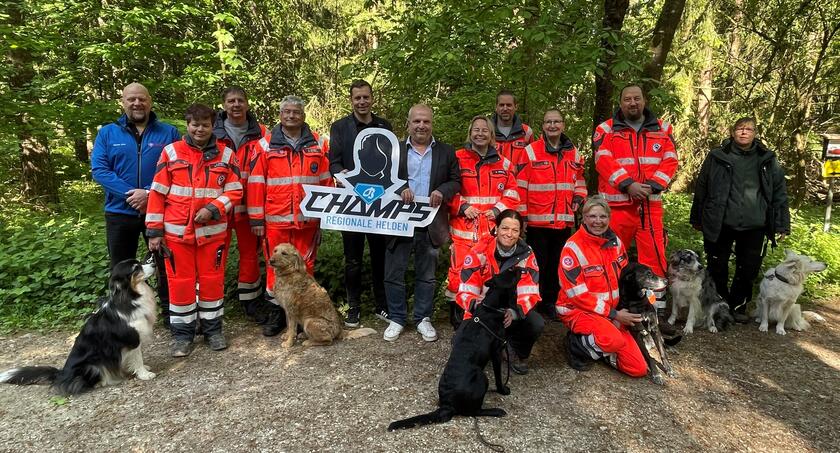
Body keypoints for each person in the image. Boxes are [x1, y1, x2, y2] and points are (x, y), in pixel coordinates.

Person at [146, 103, 243, 357]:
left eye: (205, 125)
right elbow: (157, 193)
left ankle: (213, 331)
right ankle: (182, 336)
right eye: (195, 124)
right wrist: (154, 232)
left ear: (213, 126)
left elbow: (235, 190)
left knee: (212, 283)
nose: (200, 129)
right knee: (180, 285)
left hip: (212, 234)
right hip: (176, 235)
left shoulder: (226, 155)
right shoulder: (171, 152)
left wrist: (213, 208)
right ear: (187, 125)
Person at [91, 82, 180, 327]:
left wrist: (150, 194)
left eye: (141, 99)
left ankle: (173, 318)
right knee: (121, 268)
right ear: (123, 102)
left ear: (150, 101)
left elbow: (178, 169)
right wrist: (132, 194)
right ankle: (124, 320)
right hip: (119, 212)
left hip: (160, 211)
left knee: (165, 265)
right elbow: (100, 170)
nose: (137, 103)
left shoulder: (169, 133)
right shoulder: (107, 133)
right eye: (131, 99)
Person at [592, 83, 678, 329]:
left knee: (655, 259)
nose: (632, 103)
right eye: (627, 99)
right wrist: (628, 185)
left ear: (644, 101)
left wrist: (652, 185)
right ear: (620, 103)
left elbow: (670, 160)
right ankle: (615, 310)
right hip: (617, 206)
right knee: (612, 259)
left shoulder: (662, 128)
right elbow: (603, 160)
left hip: (650, 206)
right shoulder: (605, 129)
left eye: (637, 99)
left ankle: (655, 313)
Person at [690, 117, 790, 323]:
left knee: (748, 269)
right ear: (732, 132)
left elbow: (779, 192)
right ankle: (719, 306)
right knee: (717, 266)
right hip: (721, 221)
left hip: (756, 224)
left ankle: (738, 306)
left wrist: (781, 224)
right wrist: (697, 217)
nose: (744, 132)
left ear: (755, 133)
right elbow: (702, 187)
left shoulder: (767, 159)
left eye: (749, 129)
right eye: (740, 129)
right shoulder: (717, 156)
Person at [248, 95, 332, 336]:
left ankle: (306, 314)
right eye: (287, 112)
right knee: (276, 267)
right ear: (280, 115)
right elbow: (255, 183)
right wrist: (255, 219)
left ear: (303, 115)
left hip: (308, 221)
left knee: (306, 267)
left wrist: (325, 216)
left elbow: (326, 182)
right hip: (275, 221)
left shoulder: (318, 143)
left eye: (296, 112)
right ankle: (278, 316)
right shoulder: (264, 145)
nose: (292, 116)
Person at [382, 104, 461, 343]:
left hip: (431, 222)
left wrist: (442, 190)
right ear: (408, 124)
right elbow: (383, 177)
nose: (421, 126)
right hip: (399, 220)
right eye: (416, 121)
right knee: (394, 272)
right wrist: (400, 188)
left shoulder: (446, 152)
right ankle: (396, 318)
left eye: (426, 121)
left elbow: (456, 181)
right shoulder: (394, 149)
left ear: (432, 124)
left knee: (426, 275)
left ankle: (422, 318)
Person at [557, 196, 647, 378]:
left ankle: (602, 346)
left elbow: (625, 280)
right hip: (578, 310)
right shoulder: (572, 248)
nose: (598, 221)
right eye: (592, 216)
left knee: (638, 369)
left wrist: (623, 310)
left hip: (610, 312)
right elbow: (578, 296)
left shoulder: (616, 243)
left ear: (609, 217)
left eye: (603, 216)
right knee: (612, 340)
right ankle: (576, 344)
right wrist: (613, 315)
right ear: (583, 218)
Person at [329, 80, 394, 327]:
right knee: (353, 259)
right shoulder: (339, 128)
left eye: (366, 97)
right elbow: (333, 162)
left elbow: (392, 162)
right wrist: (341, 174)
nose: (362, 102)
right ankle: (353, 308)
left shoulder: (384, 126)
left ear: (372, 98)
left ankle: (382, 305)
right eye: (357, 98)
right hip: (352, 203)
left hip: (380, 203)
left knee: (380, 257)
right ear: (351, 100)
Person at [447, 115, 521, 329]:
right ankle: (458, 314)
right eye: (476, 130)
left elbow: (513, 193)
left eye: (484, 130)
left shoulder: (504, 163)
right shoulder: (457, 158)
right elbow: (447, 187)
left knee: (487, 272)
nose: (480, 133)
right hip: (463, 229)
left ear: (491, 135)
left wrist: (498, 210)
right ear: (470, 133)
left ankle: (483, 314)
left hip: (490, 231)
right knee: (458, 273)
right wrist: (461, 205)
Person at [516, 109, 587, 319]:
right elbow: (520, 186)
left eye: (556, 122)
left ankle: (550, 303)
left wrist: (578, 197)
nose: (553, 125)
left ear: (563, 125)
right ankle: (532, 304)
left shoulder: (574, 153)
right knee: (537, 264)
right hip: (538, 223)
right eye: (548, 122)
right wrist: (522, 217)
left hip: (564, 222)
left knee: (557, 266)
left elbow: (580, 180)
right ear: (543, 126)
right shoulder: (531, 151)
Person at [455, 209, 543, 374]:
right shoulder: (478, 251)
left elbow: (530, 292)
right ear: (496, 228)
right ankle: (493, 345)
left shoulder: (527, 254)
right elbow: (466, 290)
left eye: (515, 230)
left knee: (535, 323)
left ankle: (514, 349)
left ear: (520, 232)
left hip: (510, 313)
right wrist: (478, 308)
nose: (509, 234)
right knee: (459, 344)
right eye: (505, 228)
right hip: (482, 312)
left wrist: (515, 312)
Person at [213, 86, 269, 323]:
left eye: (240, 100)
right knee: (215, 255)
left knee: (249, 254)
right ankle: (211, 305)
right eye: (230, 101)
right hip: (218, 205)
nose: (235, 105)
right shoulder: (211, 132)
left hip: (250, 204)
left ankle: (250, 301)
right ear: (224, 105)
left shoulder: (263, 133)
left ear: (247, 104)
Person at [492, 90, 534, 173]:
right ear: (496, 107)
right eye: (501, 105)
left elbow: (532, 161)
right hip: (493, 183)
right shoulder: (487, 132)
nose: (505, 108)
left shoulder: (526, 132)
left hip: (519, 183)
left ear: (516, 107)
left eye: (509, 105)